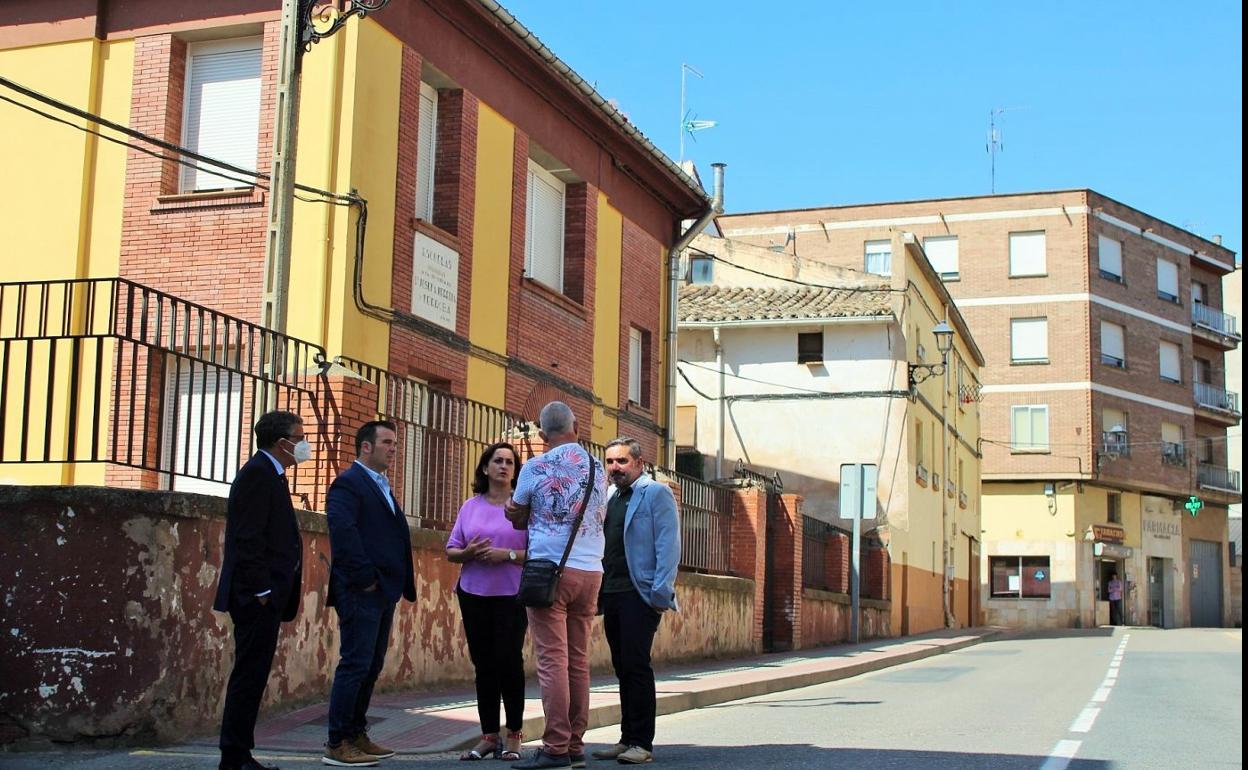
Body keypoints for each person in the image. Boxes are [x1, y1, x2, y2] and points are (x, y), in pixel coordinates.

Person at [505, 402, 607, 770]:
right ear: (577, 426)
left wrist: (527, 513)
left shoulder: (534, 467)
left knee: (552, 661)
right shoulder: (598, 468)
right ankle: (576, 744)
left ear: (543, 435)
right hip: (591, 570)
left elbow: (515, 510)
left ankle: (555, 746)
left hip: (549, 571)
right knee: (578, 660)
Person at [214, 410, 307, 770]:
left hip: (265, 596)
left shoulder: (273, 474)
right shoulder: (257, 474)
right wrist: (262, 591)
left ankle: (240, 753)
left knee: (254, 676)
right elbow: (247, 537)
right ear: (281, 442)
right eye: (299, 438)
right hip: (255, 598)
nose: (304, 445)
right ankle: (234, 756)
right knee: (248, 676)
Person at [322, 421, 417, 768]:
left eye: (395, 442)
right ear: (366, 447)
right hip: (361, 591)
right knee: (355, 663)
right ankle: (336, 741)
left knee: (371, 665)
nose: (393, 448)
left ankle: (355, 732)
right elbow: (343, 532)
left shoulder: (380, 484)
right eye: (387, 442)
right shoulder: (348, 483)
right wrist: (366, 579)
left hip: (383, 591)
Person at [591, 438, 680, 766]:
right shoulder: (611, 496)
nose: (615, 468)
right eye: (610, 461)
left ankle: (642, 743)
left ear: (639, 464)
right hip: (611, 592)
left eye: (622, 461)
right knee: (622, 667)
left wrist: (660, 593)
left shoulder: (655, 493)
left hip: (639, 594)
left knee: (636, 665)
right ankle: (627, 738)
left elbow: (668, 544)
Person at [447, 442, 529, 761]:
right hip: (473, 593)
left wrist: (505, 554)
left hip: (512, 596)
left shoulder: (523, 510)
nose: (504, 466)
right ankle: (488, 736)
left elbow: (537, 554)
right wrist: (468, 553)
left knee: (509, 662)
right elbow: (452, 549)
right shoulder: (470, 506)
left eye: (510, 462)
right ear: (485, 467)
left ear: (515, 472)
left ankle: (515, 736)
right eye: (498, 460)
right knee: (484, 666)